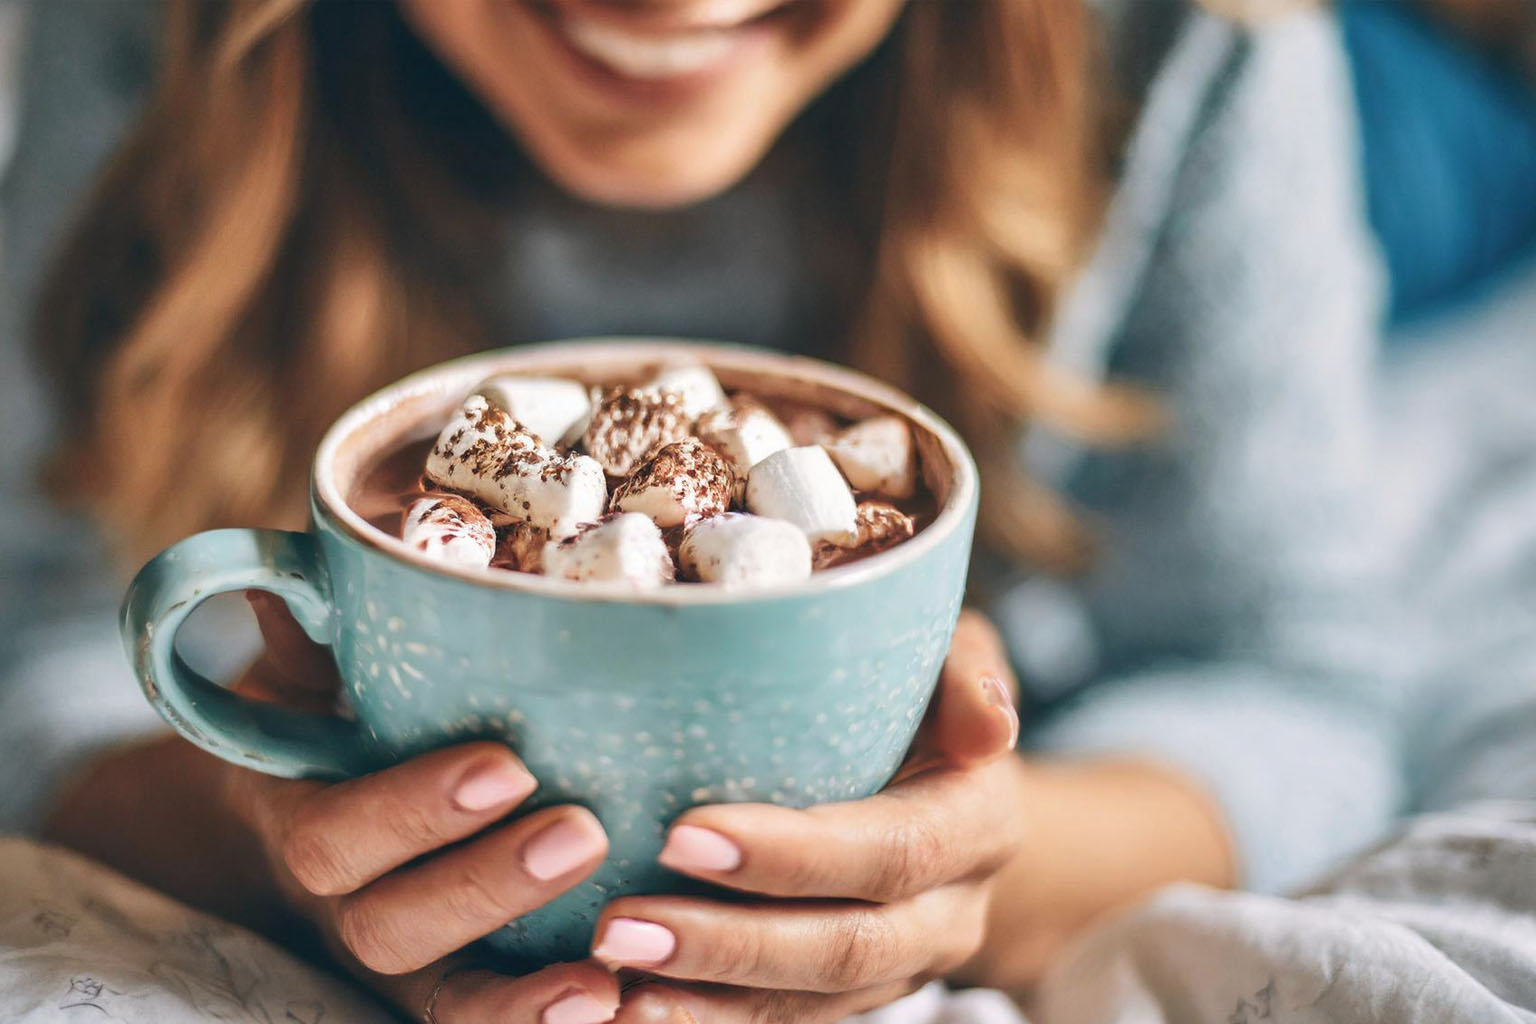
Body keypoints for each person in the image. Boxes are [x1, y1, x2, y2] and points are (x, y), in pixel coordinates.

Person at [0, 0, 1451, 1021]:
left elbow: (1303, 683)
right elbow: (38, 627)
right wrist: (263, 838)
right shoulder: (161, 31)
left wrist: (978, 878)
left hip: (1389, 136)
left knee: (1456, 154)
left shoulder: (1198, 38)